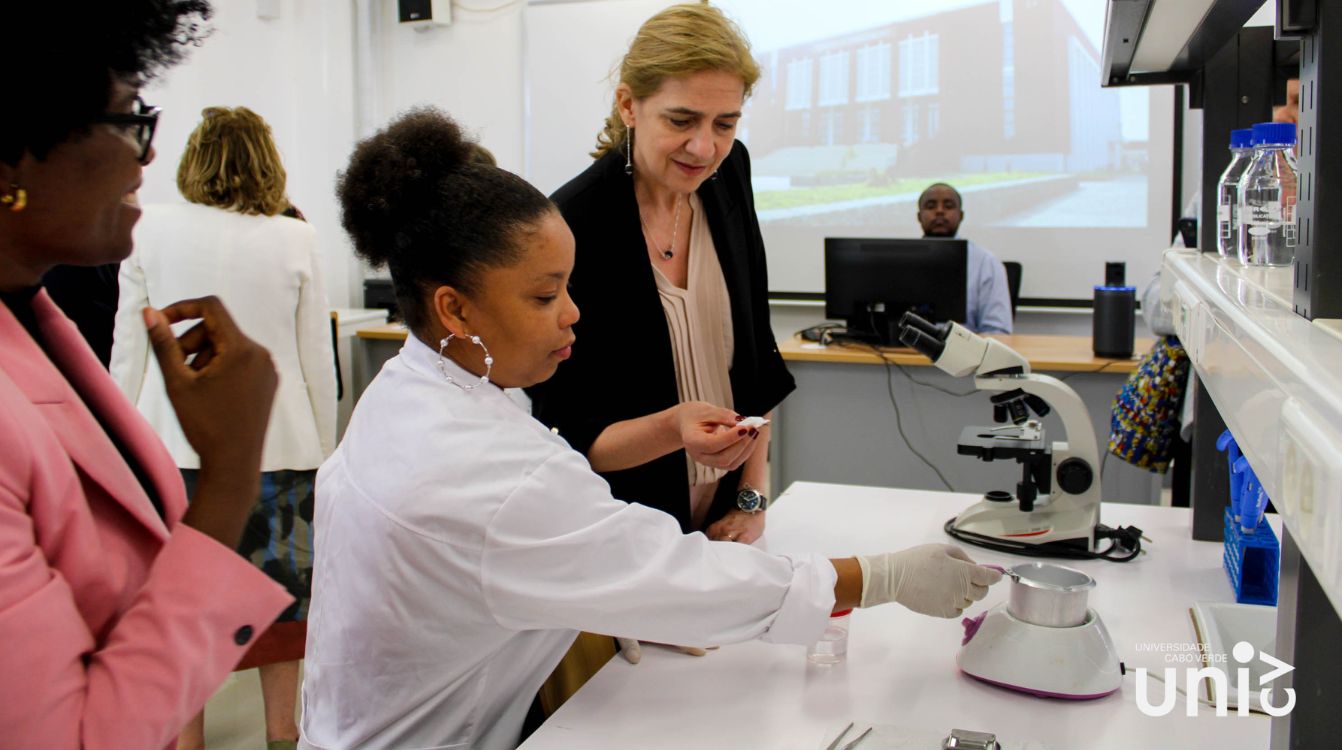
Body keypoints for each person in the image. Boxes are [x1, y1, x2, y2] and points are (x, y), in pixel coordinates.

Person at [299, 107, 1002, 750]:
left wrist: (608, 562)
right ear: (455, 310)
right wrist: (880, 577)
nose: (573, 314)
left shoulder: (411, 389)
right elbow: (674, 574)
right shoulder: (483, 470)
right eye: (546, 296)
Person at [0, 3, 293, 749]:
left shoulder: (33, 319)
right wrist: (230, 478)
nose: (147, 158)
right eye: (131, 120)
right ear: (13, 149)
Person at [110, 106, 336, 749]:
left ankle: (188, 740)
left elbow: (127, 349)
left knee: (181, 606)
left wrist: (119, 443)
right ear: (267, 162)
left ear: (194, 160)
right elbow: (315, 359)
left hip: (170, 443)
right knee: (281, 599)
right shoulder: (296, 236)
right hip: (281, 443)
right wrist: (327, 451)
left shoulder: (148, 228)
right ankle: (281, 731)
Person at [916, 182, 1014, 334]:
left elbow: (997, 330)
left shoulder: (986, 263)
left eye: (948, 206)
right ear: (919, 216)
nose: (940, 211)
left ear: (961, 216)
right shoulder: (896, 261)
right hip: (902, 352)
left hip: (964, 354)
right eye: (931, 206)